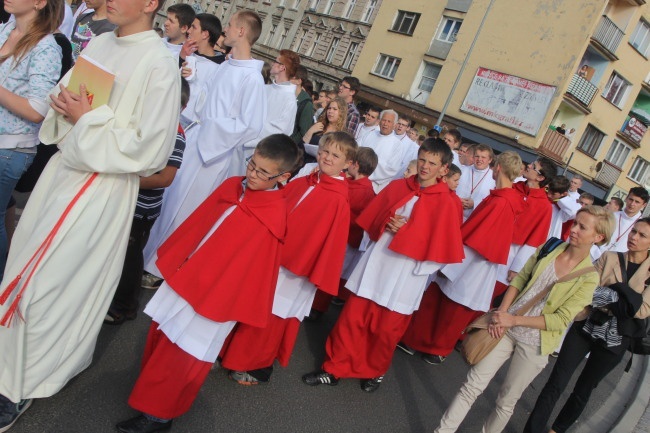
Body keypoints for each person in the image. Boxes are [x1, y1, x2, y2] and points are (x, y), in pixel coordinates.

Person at [0, 0, 180, 430]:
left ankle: (23, 384)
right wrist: (65, 106)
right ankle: (7, 365)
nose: (107, 1)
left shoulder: (160, 63)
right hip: (61, 176)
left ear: (150, 4)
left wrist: (88, 119)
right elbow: (64, 98)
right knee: (23, 272)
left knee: (53, 283)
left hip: (102, 187)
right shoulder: (99, 41)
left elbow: (152, 148)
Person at [117, 135, 299, 433]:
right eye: (252, 164)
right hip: (190, 277)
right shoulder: (233, 186)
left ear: (283, 178)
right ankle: (150, 402)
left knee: (184, 354)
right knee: (163, 338)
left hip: (216, 298)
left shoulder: (272, 217)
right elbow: (202, 225)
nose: (252, 174)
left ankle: (159, 417)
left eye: (263, 173)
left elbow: (251, 271)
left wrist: (220, 298)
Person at [302, 139, 464, 392]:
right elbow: (374, 219)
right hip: (378, 264)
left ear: (444, 169)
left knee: (386, 331)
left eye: (432, 163)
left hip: (407, 275)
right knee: (352, 319)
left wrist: (408, 232)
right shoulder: (400, 186)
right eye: (422, 160)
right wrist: (386, 221)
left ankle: (375, 371)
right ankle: (333, 368)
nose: (424, 167)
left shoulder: (448, 202)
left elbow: (442, 248)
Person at [434, 205, 612, 433]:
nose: (574, 229)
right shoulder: (551, 246)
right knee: (471, 385)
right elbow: (519, 280)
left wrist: (513, 320)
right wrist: (502, 313)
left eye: (582, 227)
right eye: (575, 222)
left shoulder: (589, 278)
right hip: (505, 328)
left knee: (505, 401)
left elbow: (560, 320)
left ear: (598, 237)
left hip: (536, 343)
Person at [221, 132, 355, 385]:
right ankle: (231, 352)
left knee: (273, 316)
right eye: (325, 151)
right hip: (277, 257)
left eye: (335, 155)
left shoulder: (337, 199)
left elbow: (327, 243)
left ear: (347, 163)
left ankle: (255, 366)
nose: (327, 157)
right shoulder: (311, 178)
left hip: (297, 270)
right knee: (253, 303)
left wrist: (301, 261)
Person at [142, 10, 266, 282]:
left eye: (231, 26)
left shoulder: (253, 79)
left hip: (214, 155)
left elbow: (250, 125)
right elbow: (205, 102)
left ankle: (161, 267)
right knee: (171, 199)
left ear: (242, 32)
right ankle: (148, 255)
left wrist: (209, 131)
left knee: (187, 210)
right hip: (198, 140)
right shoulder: (227, 66)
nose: (227, 31)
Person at [525, 218, 650, 433]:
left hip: (616, 340)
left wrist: (611, 293)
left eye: (642, 235)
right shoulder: (610, 257)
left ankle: (557, 430)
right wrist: (624, 298)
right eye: (633, 231)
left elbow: (642, 310)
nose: (633, 237)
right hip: (586, 325)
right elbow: (587, 290)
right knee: (556, 381)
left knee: (583, 390)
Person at [417, 152, 525, 365]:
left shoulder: (502, 201)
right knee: (448, 301)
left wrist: (454, 251)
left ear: (498, 168)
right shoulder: (504, 197)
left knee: (453, 306)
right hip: (475, 258)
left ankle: (438, 347)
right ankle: (429, 343)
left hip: (473, 259)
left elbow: (480, 234)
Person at [104, 78, 190, 325]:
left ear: (180, 107)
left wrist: (126, 179)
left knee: (130, 257)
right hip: (125, 200)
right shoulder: (149, 124)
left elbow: (165, 178)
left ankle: (125, 306)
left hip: (142, 209)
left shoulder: (176, 135)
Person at [0, 0, 63, 279]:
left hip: (10, 148)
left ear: (39, 3)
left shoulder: (46, 46)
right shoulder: (7, 29)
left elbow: (38, 109)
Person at [308, 146, 378, 319]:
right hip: (346, 236)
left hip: (346, 237)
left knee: (331, 271)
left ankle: (317, 308)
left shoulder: (361, 191)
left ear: (355, 164)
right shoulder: (359, 186)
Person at [232, 49, 298, 175]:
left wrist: (248, 131)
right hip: (239, 142)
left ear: (282, 68)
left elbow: (280, 131)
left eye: (276, 61)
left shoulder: (290, 100)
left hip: (256, 151)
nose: (272, 64)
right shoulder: (265, 88)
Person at [177, 13, 222, 127]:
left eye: (194, 27)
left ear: (205, 34)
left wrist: (194, 81)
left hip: (190, 123)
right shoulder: (185, 52)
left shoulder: (219, 68)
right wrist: (180, 59)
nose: (189, 31)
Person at [358, 109, 403, 193]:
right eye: (384, 120)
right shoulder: (370, 134)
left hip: (374, 186)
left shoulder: (397, 145)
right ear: (379, 121)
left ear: (394, 125)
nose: (385, 124)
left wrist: (366, 173)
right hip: (356, 178)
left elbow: (391, 169)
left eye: (389, 121)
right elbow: (357, 150)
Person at [598, 187, 649, 254]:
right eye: (631, 199)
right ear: (626, 198)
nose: (632, 204)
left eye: (637, 202)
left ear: (644, 205)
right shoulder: (611, 216)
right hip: (596, 254)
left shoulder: (642, 225)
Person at [301, 96, 347, 163]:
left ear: (342, 112)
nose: (330, 111)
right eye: (329, 108)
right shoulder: (319, 125)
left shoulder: (342, 136)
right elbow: (301, 147)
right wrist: (310, 131)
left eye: (335, 109)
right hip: (305, 161)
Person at [456, 143, 495, 220]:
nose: (479, 159)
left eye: (483, 157)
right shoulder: (462, 170)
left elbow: (492, 201)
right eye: (477, 156)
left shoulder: (494, 178)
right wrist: (457, 199)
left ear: (490, 160)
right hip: (455, 212)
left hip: (473, 218)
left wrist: (475, 203)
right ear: (473, 157)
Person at [289, 65, 314, 146]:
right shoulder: (286, 96)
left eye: (290, 76)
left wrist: (287, 144)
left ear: (298, 81)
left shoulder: (306, 103)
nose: (286, 78)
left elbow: (303, 131)